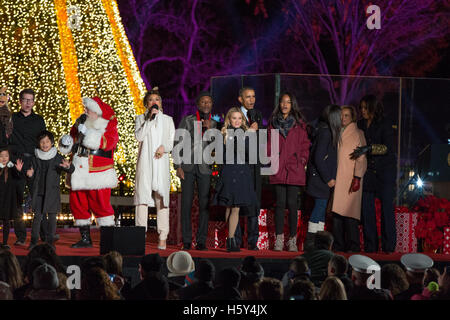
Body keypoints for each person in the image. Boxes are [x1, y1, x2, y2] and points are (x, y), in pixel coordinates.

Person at [59, 97, 119, 248]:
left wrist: (90, 134)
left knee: (101, 204)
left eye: (88, 109)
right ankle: (85, 239)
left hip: (98, 171)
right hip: (79, 168)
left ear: (97, 111)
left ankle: (108, 240)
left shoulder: (108, 123)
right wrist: (67, 142)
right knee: (78, 203)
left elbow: (110, 142)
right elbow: (72, 137)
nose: (85, 111)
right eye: (85, 108)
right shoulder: (81, 120)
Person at [351, 95, 397, 253]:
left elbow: (387, 148)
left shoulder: (385, 123)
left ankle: (388, 246)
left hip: (385, 172)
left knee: (386, 210)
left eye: (365, 107)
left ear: (373, 108)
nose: (362, 110)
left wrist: (369, 148)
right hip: (368, 171)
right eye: (361, 107)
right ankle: (371, 246)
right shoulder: (360, 124)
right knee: (366, 210)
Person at [174, 91, 218, 250]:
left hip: (205, 168)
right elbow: (177, 142)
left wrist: (211, 132)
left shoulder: (214, 124)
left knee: (204, 205)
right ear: (198, 105)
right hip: (187, 166)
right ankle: (186, 240)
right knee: (186, 204)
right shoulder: (187, 120)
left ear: (212, 105)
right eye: (203, 102)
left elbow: (217, 147)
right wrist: (177, 166)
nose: (206, 104)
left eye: (209, 102)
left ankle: (201, 241)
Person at [134, 88, 175, 250]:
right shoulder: (140, 119)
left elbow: (171, 141)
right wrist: (149, 120)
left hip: (161, 163)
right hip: (145, 163)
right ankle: (139, 235)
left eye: (157, 99)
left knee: (162, 199)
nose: (154, 102)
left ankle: (163, 236)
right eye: (151, 100)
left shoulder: (168, 120)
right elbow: (139, 137)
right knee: (142, 199)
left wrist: (164, 147)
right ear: (147, 104)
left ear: (161, 103)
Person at [267, 92, 310, 252]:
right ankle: (279, 239)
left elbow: (305, 145)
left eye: (288, 102)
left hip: (294, 169)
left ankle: (292, 240)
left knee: (292, 204)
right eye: (282, 102)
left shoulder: (300, 124)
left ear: (293, 105)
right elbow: (268, 143)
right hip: (278, 167)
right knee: (279, 205)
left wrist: (302, 160)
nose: (285, 105)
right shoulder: (272, 123)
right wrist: (271, 158)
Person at [213, 107, 258, 252]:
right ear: (229, 120)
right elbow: (222, 157)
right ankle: (230, 238)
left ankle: (230, 239)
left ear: (243, 120)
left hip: (242, 173)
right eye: (234, 118)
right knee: (231, 207)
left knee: (235, 208)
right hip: (229, 172)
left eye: (240, 118)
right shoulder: (224, 135)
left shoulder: (246, 134)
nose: (237, 121)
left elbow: (249, 154)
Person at [8, 88, 46, 246]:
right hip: (16, 162)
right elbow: (5, 139)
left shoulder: (39, 120)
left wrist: (39, 164)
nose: (28, 103)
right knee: (17, 201)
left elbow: (44, 141)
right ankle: (21, 237)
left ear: (34, 102)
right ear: (20, 101)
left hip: (33, 162)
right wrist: (10, 162)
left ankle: (44, 235)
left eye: (31, 100)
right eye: (25, 99)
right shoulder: (11, 119)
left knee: (38, 199)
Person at [26, 130, 74, 250]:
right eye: (42, 142)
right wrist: (30, 175)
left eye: (47, 141)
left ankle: (50, 242)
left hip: (52, 193)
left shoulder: (57, 157)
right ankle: (33, 242)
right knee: (37, 218)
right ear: (39, 143)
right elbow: (31, 176)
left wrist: (68, 167)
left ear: (52, 143)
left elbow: (70, 169)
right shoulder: (35, 157)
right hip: (38, 193)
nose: (45, 144)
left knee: (52, 218)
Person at [305, 105, 341, 251]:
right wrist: (328, 178)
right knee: (319, 208)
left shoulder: (323, 130)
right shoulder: (326, 132)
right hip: (320, 179)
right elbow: (318, 157)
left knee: (320, 209)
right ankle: (311, 243)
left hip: (319, 178)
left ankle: (317, 243)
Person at [332, 106, 367, 252]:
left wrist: (357, 177)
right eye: (341, 115)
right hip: (339, 178)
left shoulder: (358, 133)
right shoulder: (338, 132)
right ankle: (339, 245)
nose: (343, 118)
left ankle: (353, 245)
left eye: (346, 115)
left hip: (350, 179)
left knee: (350, 215)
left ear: (352, 117)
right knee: (337, 215)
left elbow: (362, 157)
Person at [235, 87, 262, 251]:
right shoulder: (234, 116)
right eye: (248, 97)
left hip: (253, 165)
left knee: (254, 202)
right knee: (238, 203)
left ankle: (253, 241)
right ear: (240, 99)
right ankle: (237, 239)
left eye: (253, 96)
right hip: (239, 165)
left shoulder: (257, 115)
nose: (251, 100)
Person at [0, 146, 25, 248]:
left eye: (6, 155)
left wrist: (19, 171)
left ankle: (5, 243)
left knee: (6, 222)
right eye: (1, 156)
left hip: (8, 200)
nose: (4, 158)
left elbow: (19, 179)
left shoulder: (12, 168)